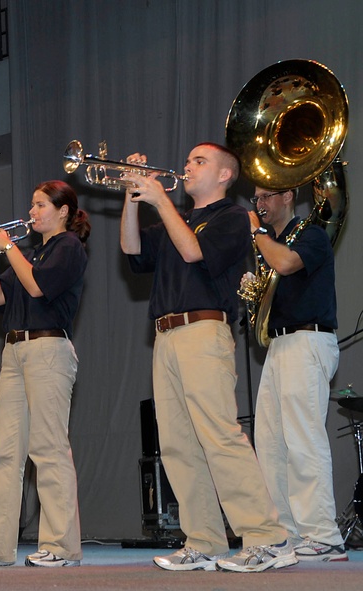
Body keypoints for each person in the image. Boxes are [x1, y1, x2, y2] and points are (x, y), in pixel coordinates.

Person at [120, 144, 294, 573]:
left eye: (200, 161)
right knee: (177, 445)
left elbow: (194, 253)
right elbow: (131, 250)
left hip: (203, 330)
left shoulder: (232, 217)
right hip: (165, 335)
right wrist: (131, 195)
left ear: (224, 175)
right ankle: (205, 540)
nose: (187, 166)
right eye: (189, 160)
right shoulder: (176, 219)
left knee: (220, 436)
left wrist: (160, 199)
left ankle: (268, 538)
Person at [0, 180, 89, 568]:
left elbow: (38, 288)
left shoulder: (68, 248)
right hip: (13, 350)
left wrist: (7, 246)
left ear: (63, 212)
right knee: (4, 452)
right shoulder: (30, 253)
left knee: (48, 448)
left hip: (48, 349)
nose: (32, 212)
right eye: (32, 205)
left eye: (41, 205)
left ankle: (62, 547)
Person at [244, 185, 344, 561]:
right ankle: (285, 531)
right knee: (270, 444)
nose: (260, 204)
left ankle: (324, 534)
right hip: (280, 344)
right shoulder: (274, 241)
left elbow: (285, 264)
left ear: (288, 196)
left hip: (308, 339)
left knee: (303, 440)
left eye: (268, 196)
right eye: (256, 198)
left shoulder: (311, 233)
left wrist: (256, 233)